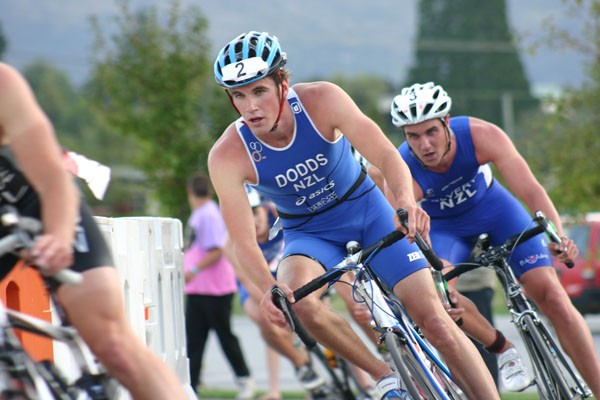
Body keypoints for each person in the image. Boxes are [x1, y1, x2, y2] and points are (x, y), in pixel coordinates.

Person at [207, 31, 499, 399]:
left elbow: (387, 156)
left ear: (283, 82)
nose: (251, 107)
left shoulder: (322, 100)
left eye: (259, 90)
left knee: (437, 321)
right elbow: (242, 239)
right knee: (297, 298)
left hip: (367, 211)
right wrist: (268, 289)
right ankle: (386, 379)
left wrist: (406, 200)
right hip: (309, 234)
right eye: (239, 95)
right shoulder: (227, 155)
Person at [390, 81, 600, 396]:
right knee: (442, 297)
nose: (424, 145)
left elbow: (530, 190)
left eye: (431, 131)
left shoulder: (480, 135)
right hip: (447, 228)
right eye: (413, 136)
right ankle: (502, 348)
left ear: (447, 122)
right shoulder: (403, 166)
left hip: (496, 211)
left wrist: (555, 235)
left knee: (551, 295)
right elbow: (403, 224)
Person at [0, 62, 189, 399]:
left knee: (112, 343)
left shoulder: (3, 83)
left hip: (37, 204)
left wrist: (58, 236)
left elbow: (53, 180)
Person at [224, 186, 327, 399]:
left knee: (310, 315)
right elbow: (246, 280)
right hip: (255, 281)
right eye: (247, 215)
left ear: (264, 208)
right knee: (265, 320)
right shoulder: (231, 242)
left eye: (255, 212)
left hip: (283, 274)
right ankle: (300, 367)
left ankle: (356, 381)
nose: (253, 220)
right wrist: (273, 305)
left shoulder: (278, 213)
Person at [183, 173, 254, 399]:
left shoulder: (209, 215)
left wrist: (193, 270)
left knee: (225, 336)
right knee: (194, 339)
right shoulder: (200, 214)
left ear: (190, 192)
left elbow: (216, 249)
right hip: (198, 289)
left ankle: (245, 379)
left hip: (214, 289)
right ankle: (191, 385)